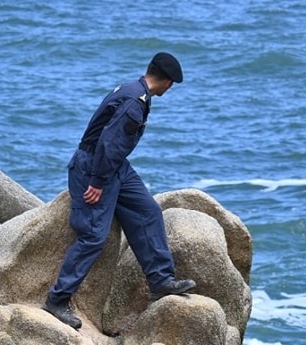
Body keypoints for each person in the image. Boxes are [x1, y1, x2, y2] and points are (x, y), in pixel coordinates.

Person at [43, 52, 197, 330]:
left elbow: (112, 147)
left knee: (147, 211)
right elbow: (109, 144)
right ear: (166, 82)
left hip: (115, 167)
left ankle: (161, 280)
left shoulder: (132, 89)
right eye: (171, 84)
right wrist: (97, 182)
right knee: (93, 236)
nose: (170, 89)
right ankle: (57, 299)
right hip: (94, 166)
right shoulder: (133, 104)